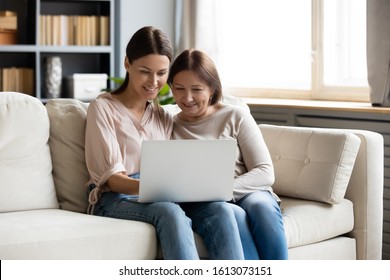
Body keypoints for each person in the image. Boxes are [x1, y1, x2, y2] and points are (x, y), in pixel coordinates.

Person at [84, 26, 245, 260]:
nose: (154, 81)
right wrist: (156, 188)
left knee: (220, 210)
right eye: (145, 72)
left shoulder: (162, 116)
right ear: (127, 64)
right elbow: (111, 180)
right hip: (115, 198)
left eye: (161, 73)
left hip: (162, 193)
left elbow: (178, 165)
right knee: (170, 212)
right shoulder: (102, 108)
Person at [167, 49, 289, 260]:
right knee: (234, 215)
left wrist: (223, 189)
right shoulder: (167, 124)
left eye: (197, 89)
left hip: (248, 191)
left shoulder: (235, 115)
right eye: (179, 89)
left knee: (261, 208)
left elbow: (265, 171)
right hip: (207, 202)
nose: (187, 98)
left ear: (212, 89)